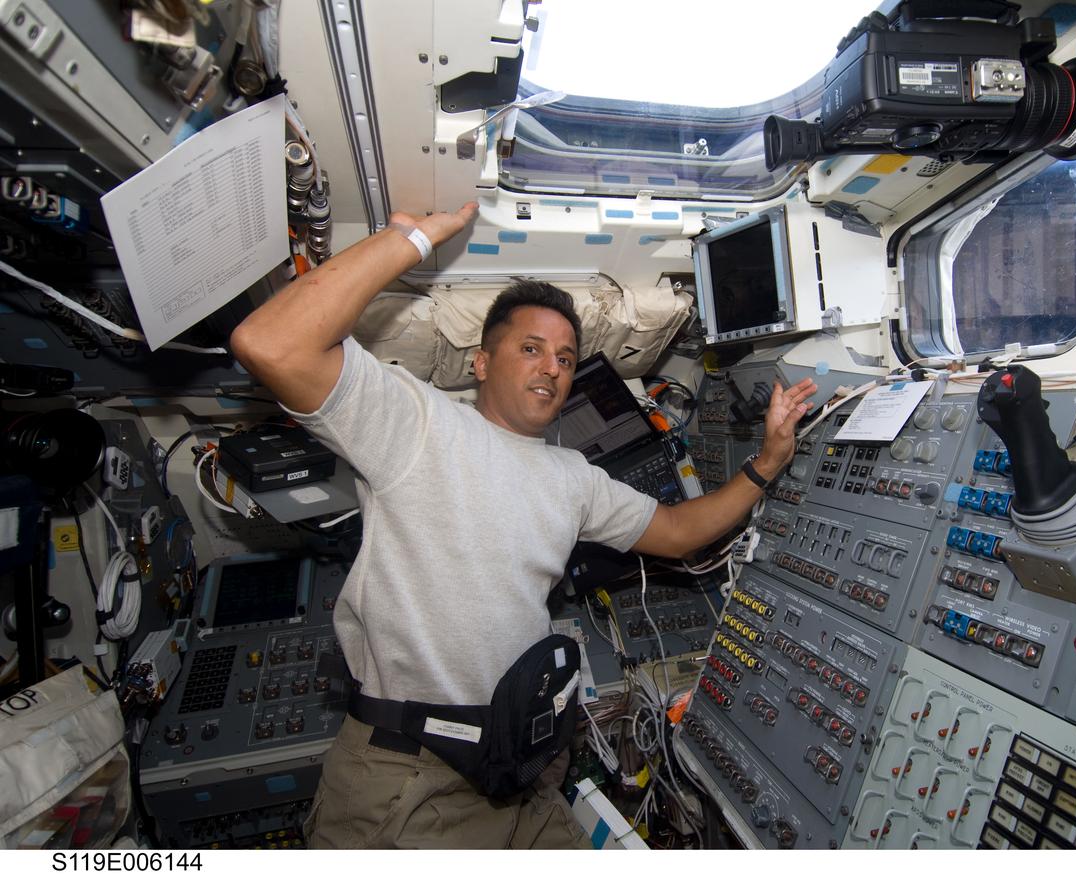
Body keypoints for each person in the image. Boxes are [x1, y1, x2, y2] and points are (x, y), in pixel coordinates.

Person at [229, 202, 817, 848]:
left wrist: (765, 463)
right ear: (481, 363)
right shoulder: (418, 425)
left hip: (521, 768)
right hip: (410, 774)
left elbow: (678, 532)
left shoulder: (572, 478)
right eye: (530, 349)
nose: (552, 369)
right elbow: (271, 344)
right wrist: (410, 238)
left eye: (566, 358)